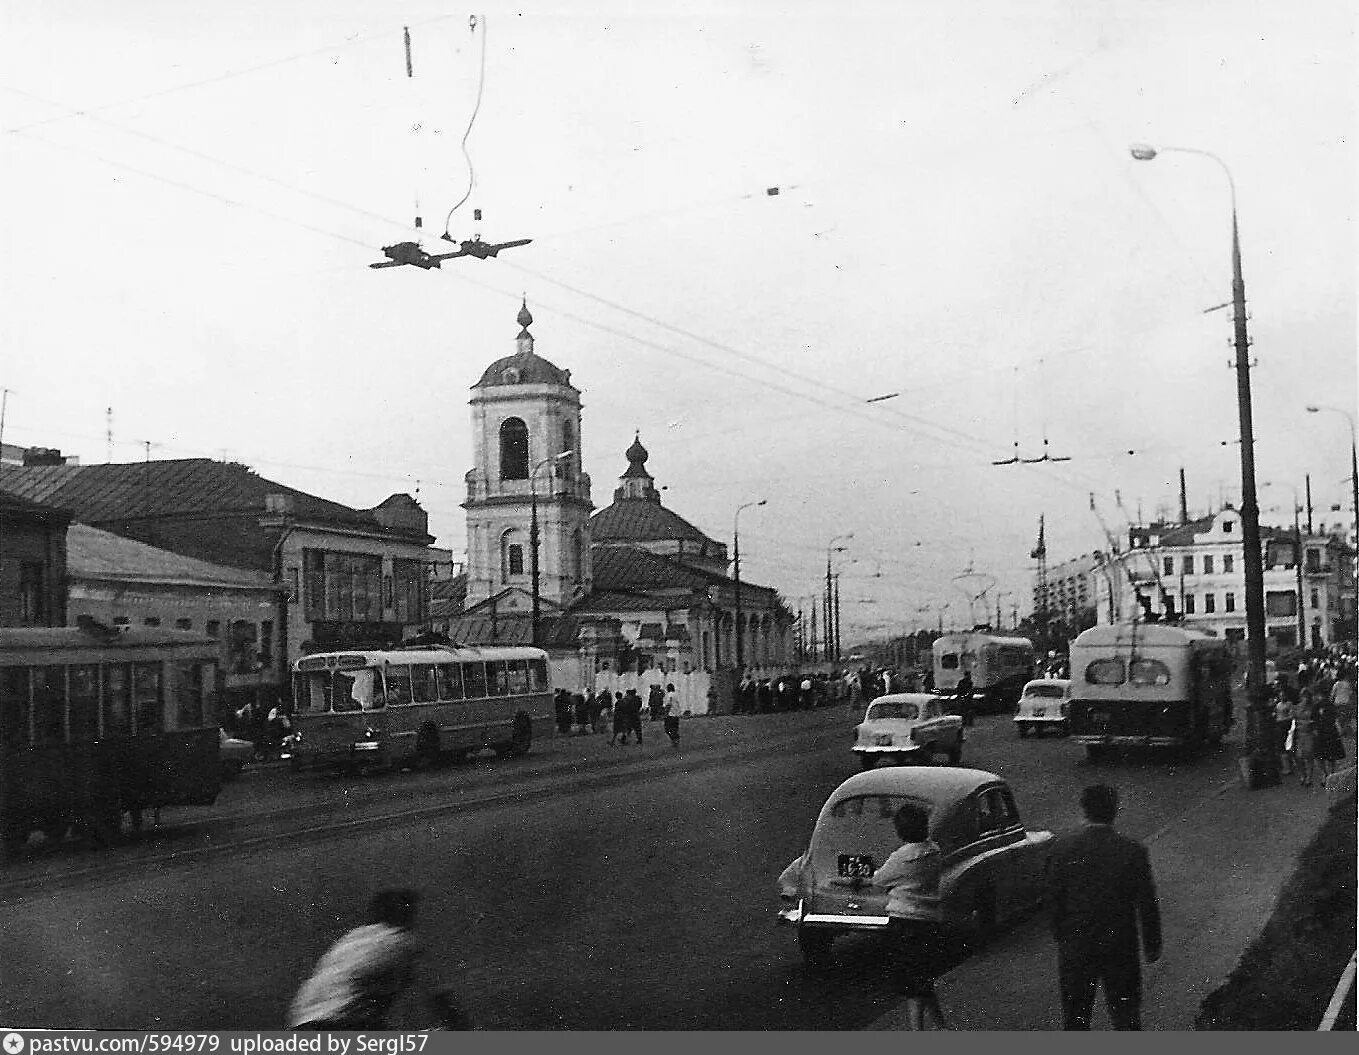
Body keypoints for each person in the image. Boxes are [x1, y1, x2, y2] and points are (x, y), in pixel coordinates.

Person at [1045, 784, 1161, 1030]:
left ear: (1084, 809)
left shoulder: (1062, 849)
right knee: (1125, 1017)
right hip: (1119, 946)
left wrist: (1061, 935)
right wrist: (1152, 945)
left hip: (1076, 945)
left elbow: (1054, 898)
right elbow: (1146, 902)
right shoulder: (1132, 851)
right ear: (1115, 810)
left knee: (1076, 1017)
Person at [289, 889, 422, 1030]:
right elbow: (431, 993)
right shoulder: (399, 940)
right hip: (337, 1025)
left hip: (302, 1026)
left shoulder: (352, 938)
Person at [870, 803, 952, 1030]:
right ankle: (942, 1027)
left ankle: (917, 1033)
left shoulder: (902, 857)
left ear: (900, 830)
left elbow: (879, 880)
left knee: (912, 985)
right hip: (929, 920)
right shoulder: (934, 850)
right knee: (923, 979)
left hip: (904, 921)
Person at [1312, 691, 1346, 783]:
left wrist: (1338, 728)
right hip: (1322, 732)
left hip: (1329, 732)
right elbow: (1313, 719)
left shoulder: (1329, 705)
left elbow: (1335, 718)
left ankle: (1330, 774)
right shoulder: (1316, 706)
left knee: (1330, 754)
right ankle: (1326, 774)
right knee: (1321, 755)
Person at [1292, 689, 1319, 788]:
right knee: (1299, 756)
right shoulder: (1297, 707)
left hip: (1309, 734)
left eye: (1306, 696)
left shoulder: (1312, 708)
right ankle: (1302, 774)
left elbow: (1315, 720)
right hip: (1299, 734)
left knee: (1308, 754)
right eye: (1303, 696)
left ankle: (1308, 777)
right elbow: (1294, 719)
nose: (1305, 698)